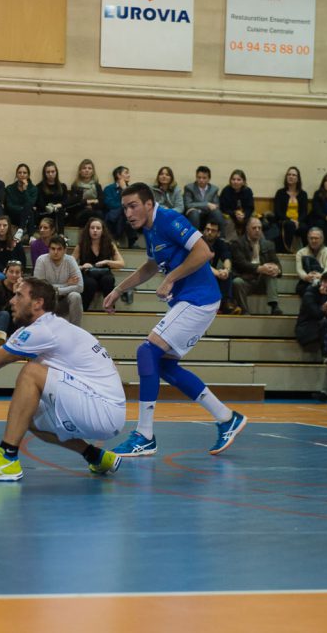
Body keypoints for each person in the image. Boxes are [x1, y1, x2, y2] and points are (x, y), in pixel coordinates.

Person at [0, 277, 124, 481]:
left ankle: (7, 457)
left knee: (32, 372)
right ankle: (96, 456)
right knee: (25, 416)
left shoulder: (44, 330)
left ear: (38, 303)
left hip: (104, 409)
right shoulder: (39, 328)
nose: (12, 301)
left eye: (19, 295)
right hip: (99, 407)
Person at [103, 183, 248, 456]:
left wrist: (170, 278)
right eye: (124, 208)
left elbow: (204, 252)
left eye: (133, 206)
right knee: (164, 366)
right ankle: (227, 418)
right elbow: (151, 265)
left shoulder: (168, 219)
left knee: (146, 352)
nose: (128, 213)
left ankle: (144, 435)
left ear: (149, 204)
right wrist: (119, 289)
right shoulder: (150, 228)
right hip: (190, 300)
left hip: (198, 298)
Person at [231, 217, 284, 315]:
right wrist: (260, 268)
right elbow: (241, 264)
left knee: (271, 271)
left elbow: (277, 264)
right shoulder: (237, 243)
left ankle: (274, 306)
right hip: (246, 280)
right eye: (254, 228)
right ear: (247, 229)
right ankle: (244, 311)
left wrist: (277, 269)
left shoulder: (269, 244)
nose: (257, 230)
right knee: (236, 282)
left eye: (259, 228)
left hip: (262, 281)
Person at [72, 217, 124, 312]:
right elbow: (70, 265)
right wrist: (82, 266)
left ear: (102, 231)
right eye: (92, 228)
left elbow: (121, 263)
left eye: (98, 228)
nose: (95, 230)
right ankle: (83, 310)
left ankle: (109, 307)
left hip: (104, 274)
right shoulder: (81, 245)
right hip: (87, 274)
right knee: (90, 284)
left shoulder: (109, 244)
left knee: (108, 280)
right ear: (88, 230)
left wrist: (107, 262)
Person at [33, 235, 83, 326]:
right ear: (48, 249)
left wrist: (57, 290)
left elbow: (80, 287)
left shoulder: (70, 260)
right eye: (53, 249)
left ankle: (75, 329)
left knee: (76, 296)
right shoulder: (41, 260)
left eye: (59, 249)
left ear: (65, 250)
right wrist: (66, 284)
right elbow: (39, 288)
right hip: (47, 300)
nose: (55, 252)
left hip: (64, 300)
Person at [201, 221, 239, 314]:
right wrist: (218, 273)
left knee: (227, 274)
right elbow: (202, 264)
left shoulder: (220, 243)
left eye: (213, 230)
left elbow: (226, 258)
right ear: (204, 230)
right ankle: (219, 305)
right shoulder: (199, 243)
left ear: (218, 233)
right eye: (207, 229)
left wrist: (226, 270)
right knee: (215, 275)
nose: (209, 232)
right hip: (197, 273)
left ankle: (226, 303)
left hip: (211, 273)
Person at [296, 271, 327, 350]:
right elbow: (318, 314)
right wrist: (324, 296)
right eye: (325, 282)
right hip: (307, 328)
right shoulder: (309, 293)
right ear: (320, 282)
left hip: (321, 328)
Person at [272, 166, 309, 253]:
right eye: (289, 174)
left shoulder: (303, 194)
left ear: (298, 179)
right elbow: (278, 212)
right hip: (284, 220)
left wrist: (298, 221)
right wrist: (290, 220)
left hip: (298, 221)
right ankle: (285, 251)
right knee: (290, 225)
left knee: (305, 227)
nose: (291, 177)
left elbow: (304, 212)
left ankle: (307, 252)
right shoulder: (280, 193)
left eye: (293, 175)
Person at [294, 227, 327, 296]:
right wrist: (306, 277)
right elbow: (299, 269)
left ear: (322, 239)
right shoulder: (300, 252)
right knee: (305, 290)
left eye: (316, 238)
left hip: (323, 280)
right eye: (311, 238)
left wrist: (321, 276)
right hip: (307, 280)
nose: (313, 241)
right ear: (308, 239)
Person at [102, 166, 136, 248]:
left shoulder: (131, 189)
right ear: (118, 175)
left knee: (124, 214)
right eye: (126, 173)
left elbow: (133, 204)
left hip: (117, 217)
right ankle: (131, 241)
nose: (129, 175)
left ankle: (115, 238)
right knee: (122, 212)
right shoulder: (109, 188)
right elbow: (109, 204)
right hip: (113, 214)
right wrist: (123, 206)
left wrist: (124, 189)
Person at [183, 165, 223, 231]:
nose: (201, 180)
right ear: (196, 177)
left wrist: (198, 206)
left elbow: (216, 206)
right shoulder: (189, 188)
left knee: (217, 213)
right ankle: (194, 237)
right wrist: (207, 204)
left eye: (204, 178)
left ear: (209, 179)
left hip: (208, 215)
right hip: (194, 215)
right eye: (199, 177)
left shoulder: (214, 189)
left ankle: (221, 236)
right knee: (194, 213)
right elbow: (188, 205)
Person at [35, 161, 69, 233]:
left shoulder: (62, 186)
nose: (50, 174)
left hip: (59, 212)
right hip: (45, 213)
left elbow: (66, 201)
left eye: (53, 171)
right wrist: (50, 207)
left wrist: (57, 206)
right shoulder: (39, 187)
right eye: (48, 172)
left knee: (60, 211)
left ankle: (61, 235)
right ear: (44, 173)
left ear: (56, 172)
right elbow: (40, 203)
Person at [218, 169, 255, 238]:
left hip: (244, 215)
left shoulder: (248, 191)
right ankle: (232, 242)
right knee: (228, 222)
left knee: (254, 222)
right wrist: (235, 213)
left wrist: (244, 215)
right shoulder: (226, 190)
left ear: (243, 181)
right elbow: (223, 208)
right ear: (230, 180)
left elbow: (250, 207)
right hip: (230, 215)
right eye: (233, 179)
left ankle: (253, 241)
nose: (235, 182)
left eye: (238, 180)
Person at [4, 163, 37, 238]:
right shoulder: (10, 188)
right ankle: (31, 236)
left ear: (28, 175)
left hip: (28, 217)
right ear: (16, 174)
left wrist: (25, 190)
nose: (22, 175)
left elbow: (31, 203)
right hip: (14, 216)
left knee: (30, 211)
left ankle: (20, 230)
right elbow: (9, 206)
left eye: (24, 173)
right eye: (19, 172)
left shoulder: (33, 189)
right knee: (29, 211)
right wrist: (24, 209)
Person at [69, 159, 104, 227]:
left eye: (89, 168)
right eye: (84, 168)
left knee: (99, 214)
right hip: (80, 212)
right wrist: (92, 201)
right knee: (86, 214)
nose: (87, 170)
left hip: (94, 210)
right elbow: (75, 203)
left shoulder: (97, 186)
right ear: (80, 171)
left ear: (93, 171)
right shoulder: (75, 186)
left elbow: (101, 202)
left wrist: (91, 206)